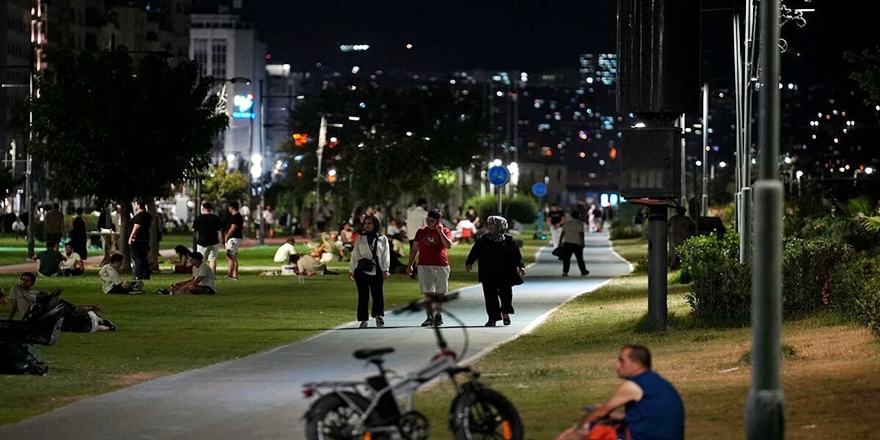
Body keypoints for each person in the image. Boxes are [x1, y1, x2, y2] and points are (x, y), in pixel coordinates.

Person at [556, 345, 685, 440]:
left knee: (579, 433)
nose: (616, 366)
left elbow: (600, 412)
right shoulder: (656, 381)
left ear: (636, 365)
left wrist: (578, 426)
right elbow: (651, 416)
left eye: (622, 361)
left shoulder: (633, 385)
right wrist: (618, 416)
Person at [465, 216, 525, 327]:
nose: (490, 227)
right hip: (488, 273)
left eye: (493, 225)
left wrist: (521, 266)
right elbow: (475, 252)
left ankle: (505, 313)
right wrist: (469, 262)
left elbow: (516, 255)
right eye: (489, 225)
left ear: (500, 226)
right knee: (490, 296)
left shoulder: (509, 240)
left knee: (506, 294)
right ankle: (492, 318)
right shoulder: (483, 240)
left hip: (505, 273)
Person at [6, 272, 117, 332]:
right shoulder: (16, 289)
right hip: (36, 319)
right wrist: (9, 320)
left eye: (27, 280)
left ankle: (99, 318)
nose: (24, 282)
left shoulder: (36, 294)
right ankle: (100, 321)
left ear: (33, 283)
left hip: (45, 315)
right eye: (22, 279)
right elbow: (14, 306)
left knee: (69, 312)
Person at [407, 209, 453, 326]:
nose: (428, 222)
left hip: (441, 264)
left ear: (438, 221)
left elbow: (448, 245)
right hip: (424, 264)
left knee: (440, 292)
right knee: (428, 292)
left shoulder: (445, 231)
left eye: (432, 221)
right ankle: (429, 317)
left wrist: (440, 231)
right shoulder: (421, 231)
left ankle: (438, 315)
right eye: (427, 220)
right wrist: (410, 265)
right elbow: (414, 249)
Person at [348, 215, 391, 329]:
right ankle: (363, 320)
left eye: (370, 223)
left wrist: (385, 269)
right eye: (365, 223)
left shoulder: (382, 238)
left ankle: (378, 316)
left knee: (377, 295)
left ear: (375, 224)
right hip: (361, 270)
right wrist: (352, 270)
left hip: (377, 270)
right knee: (363, 295)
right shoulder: (360, 238)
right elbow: (355, 255)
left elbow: (386, 255)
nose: (367, 225)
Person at [192, 202, 223, 272]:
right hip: (214, 241)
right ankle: (212, 274)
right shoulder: (216, 218)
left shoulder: (199, 218)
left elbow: (193, 229)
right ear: (211, 209)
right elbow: (219, 230)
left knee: (201, 260)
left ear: (203, 209)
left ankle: (200, 274)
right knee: (212, 259)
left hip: (202, 242)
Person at [559, 211, 590, 277]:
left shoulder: (567, 223)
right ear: (578, 216)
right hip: (577, 243)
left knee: (566, 259)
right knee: (580, 259)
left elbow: (563, 233)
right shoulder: (580, 224)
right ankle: (583, 271)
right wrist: (582, 242)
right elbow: (581, 234)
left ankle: (565, 271)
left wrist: (560, 241)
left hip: (567, 243)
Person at [128, 197, 152, 280]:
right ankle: (146, 274)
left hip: (137, 239)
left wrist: (131, 237)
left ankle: (138, 274)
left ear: (138, 205)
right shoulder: (147, 215)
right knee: (143, 257)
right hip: (145, 238)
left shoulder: (139, 216)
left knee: (137, 257)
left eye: (135, 204)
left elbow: (136, 226)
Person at [406, 198, 429, 278]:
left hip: (412, 235)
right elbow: (426, 225)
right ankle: (419, 271)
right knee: (421, 254)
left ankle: (411, 270)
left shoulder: (410, 213)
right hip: (420, 236)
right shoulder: (425, 213)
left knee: (412, 253)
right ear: (424, 204)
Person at [224, 200, 244, 280]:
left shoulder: (235, 217)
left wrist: (226, 237)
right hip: (236, 238)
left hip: (233, 238)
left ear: (232, 208)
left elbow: (232, 229)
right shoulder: (238, 216)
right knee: (234, 257)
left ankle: (230, 275)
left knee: (230, 256)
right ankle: (235, 275)